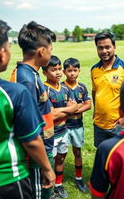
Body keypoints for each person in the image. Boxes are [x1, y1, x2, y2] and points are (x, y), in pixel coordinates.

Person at [0, 15, 55, 199]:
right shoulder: (17, 90)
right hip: (8, 179)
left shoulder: (30, 77)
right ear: (1, 54)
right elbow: (30, 139)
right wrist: (47, 168)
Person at [10, 21, 57, 199]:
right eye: (50, 49)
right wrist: (45, 166)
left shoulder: (29, 74)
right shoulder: (27, 80)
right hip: (37, 157)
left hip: (41, 152)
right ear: (41, 51)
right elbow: (28, 128)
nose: (51, 53)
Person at [42, 55, 79, 199]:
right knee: (50, 162)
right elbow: (50, 116)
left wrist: (64, 111)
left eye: (59, 69)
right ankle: (49, 190)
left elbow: (74, 106)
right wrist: (68, 110)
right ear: (45, 72)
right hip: (51, 134)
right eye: (53, 70)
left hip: (64, 131)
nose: (57, 72)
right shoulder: (44, 89)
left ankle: (58, 185)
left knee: (61, 158)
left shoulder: (64, 87)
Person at [91, 32, 124, 147]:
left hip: (118, 126)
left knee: (121, 159)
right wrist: (95, 112)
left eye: (107, 47)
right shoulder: (94, 69)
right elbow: (95, 92)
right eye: (100, 48)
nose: (104, 51)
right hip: (99, 124)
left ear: (114, 47)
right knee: (103, 156)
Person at [62, 57, 91, 192]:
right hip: (64, 127)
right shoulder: (61, 87)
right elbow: (60, 108)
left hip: (77, 126)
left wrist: (74, 110)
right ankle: (58, 183)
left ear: (79, 71)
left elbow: (88, 105)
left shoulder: (82, 87)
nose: (72, 73)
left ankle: (79, 179)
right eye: (69, 71)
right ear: (64, 72)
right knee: (61, 155)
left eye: (75, 70)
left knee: (77, 152)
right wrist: (72, 111)